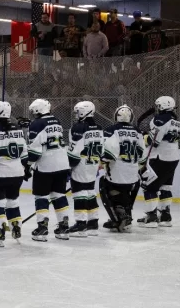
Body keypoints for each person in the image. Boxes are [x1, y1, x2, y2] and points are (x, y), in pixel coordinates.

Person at [26, 98, 71, 241]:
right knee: (59, 195)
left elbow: (34, 152)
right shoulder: (56, 121)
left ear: (37, 111)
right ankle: (64, 228)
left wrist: (26, 165)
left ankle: (42, 228)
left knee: (42, 197)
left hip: (45, 166)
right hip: (62, 164)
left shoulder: (36, 124)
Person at [0, 101, 28, 247]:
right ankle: (16, 228)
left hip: (0, 174)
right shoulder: (18, 129)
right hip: (17, 174)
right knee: (12, 202)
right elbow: (24, 153)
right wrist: (25, 169)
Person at [138, 96, 180, 227]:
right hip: (173, 158)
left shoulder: (159, 119)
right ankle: (165, 216)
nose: (157, 108)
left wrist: (143, 135)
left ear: (163, 106)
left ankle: (151, 217)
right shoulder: (177, 122)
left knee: (149, 186)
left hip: (159, 158)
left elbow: (154, 142)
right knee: (165, 186)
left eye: (158, 106)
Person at [100, 105, 146, 232]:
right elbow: (142, 158)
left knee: (103, 186)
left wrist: (100, 161)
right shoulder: (138, 132)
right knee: (125, 190)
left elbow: (109, 155)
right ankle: (126, 214)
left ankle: (116, 219)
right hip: (133, 176)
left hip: (117, 173)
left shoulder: (111, 130)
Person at [66, 101, 103, 237]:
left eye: (77, 112)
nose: (76, 114)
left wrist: (69, 167)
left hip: (81, 164)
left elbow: (75, 150)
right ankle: (93, 223)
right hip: (92, 164)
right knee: (90, 191)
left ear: (83, 112)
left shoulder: (78, 127)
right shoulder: (99, 127)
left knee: (79, 192)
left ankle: (81, 225)